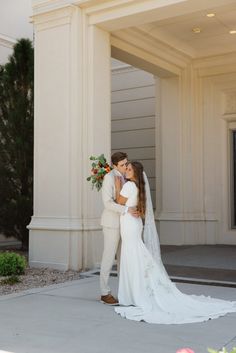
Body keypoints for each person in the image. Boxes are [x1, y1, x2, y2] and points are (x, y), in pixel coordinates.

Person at [114, 161, 236, 324]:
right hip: (134, 224)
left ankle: (133, 294)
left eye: (129, 169)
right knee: (136, 253)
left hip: (129, 224)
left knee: (132, 255)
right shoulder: (138, 186)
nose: (126, 171)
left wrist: (117, 185)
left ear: (135, 173)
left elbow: (119, 202)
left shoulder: (129, 186)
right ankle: (137, 291)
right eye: (126, 169)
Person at [100, 152, 138, 305]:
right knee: (109, 258)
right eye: (122, 165)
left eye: (126, 163)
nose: (125, 167)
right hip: (111, 223)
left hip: (126, 224)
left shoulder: (128, 178)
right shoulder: (108, 178)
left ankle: (124, 292)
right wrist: (126, 210)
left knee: (124, 259)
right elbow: (107, 203)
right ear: (115, 165)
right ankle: (104, 292)